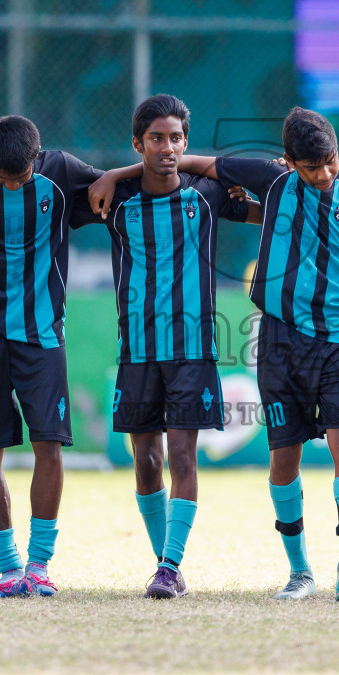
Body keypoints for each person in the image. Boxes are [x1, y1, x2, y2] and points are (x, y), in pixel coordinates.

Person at [94, 109, 339, 601]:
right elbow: (189, 164)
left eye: (331, 163)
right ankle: (300, 573)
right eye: (312, 167)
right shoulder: (269, 180)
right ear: (288, 162)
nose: (324, 174)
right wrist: (115, 172)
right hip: (277, 341)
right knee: (284, 456)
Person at [79, 94, 256, 599]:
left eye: (176, 137)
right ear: (138, 143)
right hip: (136, 350)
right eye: (156, 138)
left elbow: (271, 204)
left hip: (191, 349)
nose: (167, 147)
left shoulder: (208, 195)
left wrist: (329, 175)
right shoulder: (112, 200)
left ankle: (169, 567)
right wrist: (115, 175)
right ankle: (165, 562)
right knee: (146, 462)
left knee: (182, 455)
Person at [0, 115, 104, 598]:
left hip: (42, 335)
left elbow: (114, 188)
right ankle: (9, 567)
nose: (11, 186)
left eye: (21, 177)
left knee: (48, 446)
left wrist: (115, 175)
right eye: (1, 177)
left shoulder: (63, 172)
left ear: (38, 157)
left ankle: (39, 565)